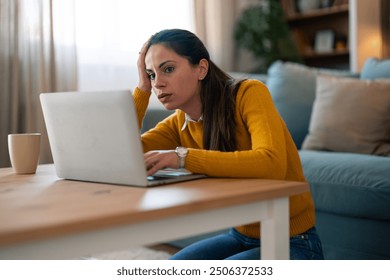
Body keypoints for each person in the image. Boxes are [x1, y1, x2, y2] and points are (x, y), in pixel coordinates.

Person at [134, 28, 324, 260]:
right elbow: (124, 154)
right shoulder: (177, 123)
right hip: (240, 236)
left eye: (168, 69)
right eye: (151, 75)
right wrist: (142, 90)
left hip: (294, 240)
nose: (158, 83)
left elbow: (271, 162)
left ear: (201, 69)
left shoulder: (249, 93)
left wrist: (182, 157)